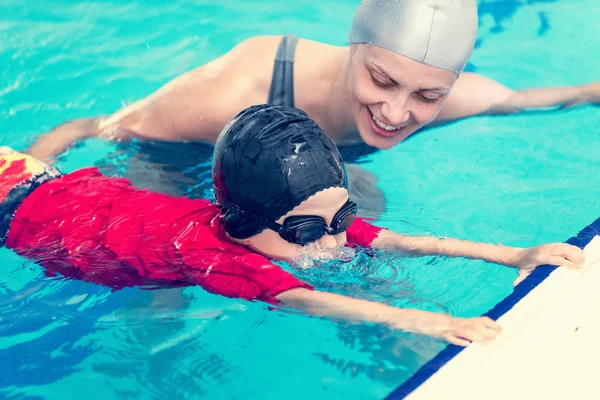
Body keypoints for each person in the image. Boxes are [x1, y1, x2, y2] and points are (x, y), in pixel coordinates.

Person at [3, 105, 584, 346]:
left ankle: (69, 133)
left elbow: (399, 240)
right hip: (22, 215)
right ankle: (78, 129)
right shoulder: (226, 260)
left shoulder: (311, 218)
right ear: (243, 220)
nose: (333, 240)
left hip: (58, 187)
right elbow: (314, 304)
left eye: (341, 217)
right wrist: (423, 321)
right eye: (308, 232)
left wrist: (513, 255)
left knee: (42, 165)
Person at [27, 0, 599, 160]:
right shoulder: (236, 91)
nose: (397, 114)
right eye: (381, 80)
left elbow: (523, 100)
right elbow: (92, 126)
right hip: (180, 159)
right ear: (355, 46)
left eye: (428, 95)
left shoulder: (442, 98)